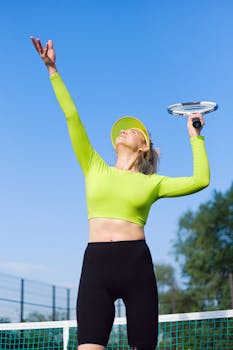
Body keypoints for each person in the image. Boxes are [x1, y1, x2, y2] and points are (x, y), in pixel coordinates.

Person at [30, 37, 210, 350]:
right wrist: (52, 69)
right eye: (120, 131)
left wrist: (195, 137)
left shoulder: (152, 183)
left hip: (136, 265)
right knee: (88, 345)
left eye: (132, 129)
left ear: (144, 146)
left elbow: (201, 180)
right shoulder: (93, 166)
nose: (122, 131)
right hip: (96, 263)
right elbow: (72, 116)